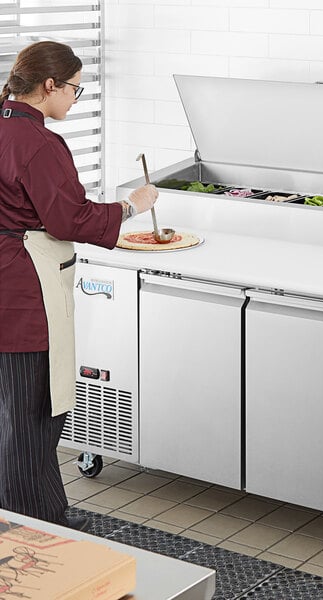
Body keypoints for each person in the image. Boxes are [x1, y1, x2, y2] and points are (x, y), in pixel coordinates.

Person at [0, 41, 158, 532]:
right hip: (26, 293)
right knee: (32, 420)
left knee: (7, 417)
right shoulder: (38, 144)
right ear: (49, 85)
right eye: (72, 88)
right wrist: (132, 206)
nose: (74, 99)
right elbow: (67, 218)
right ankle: (39, 531)